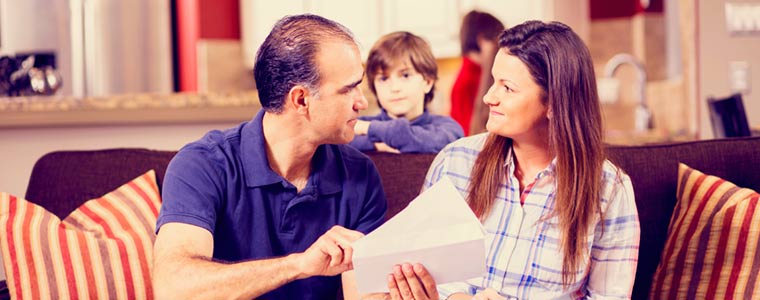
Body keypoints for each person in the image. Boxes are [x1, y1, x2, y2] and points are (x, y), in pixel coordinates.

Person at [386, 21, 640, 299]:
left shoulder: (609, 189)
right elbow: (426, 266)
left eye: (507, 88)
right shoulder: (455, 162)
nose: (488, 97)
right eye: (494, 81)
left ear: (554, 102)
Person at [152, 14, 387, 300]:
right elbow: (173, 289)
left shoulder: (359, 174)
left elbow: (361, 295)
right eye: (349, 89)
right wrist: (299, 265)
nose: (362, 102)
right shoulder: (202, 165)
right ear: (301, 99)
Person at [349, 31, 463, 153]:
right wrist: (375, 144)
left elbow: (417, 139)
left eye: (405, 75)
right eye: (383, 78)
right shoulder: (355, 128)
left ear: (428, 82)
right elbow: (335, 145)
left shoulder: (448, 128)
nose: (395, 88)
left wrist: (367, 128)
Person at [450, 10, 504, 136]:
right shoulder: (470, 79)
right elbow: (470, 132)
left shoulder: (475, 73)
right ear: (482, 41)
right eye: (497, 43)